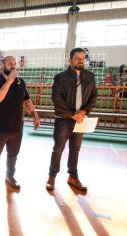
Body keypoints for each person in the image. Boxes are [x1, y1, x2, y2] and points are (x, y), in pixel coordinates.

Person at [46, 48, 98, 192]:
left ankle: (73, 177)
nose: (80, 61)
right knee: (58, 149)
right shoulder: (60, 77)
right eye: (77, 58)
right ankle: (51, 177)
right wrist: (72, 114)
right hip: (64, 119)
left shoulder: (90, 76)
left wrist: (83, 111)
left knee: (75, 149)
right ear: (70, 60)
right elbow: (57, 98)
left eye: (83, 58)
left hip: (81, 119)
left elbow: (94, 97)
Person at [0, 56, 40, 192]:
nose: (13, 65)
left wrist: (35, 114)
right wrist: (9, 82)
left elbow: (26, 100)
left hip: (16, 128)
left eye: (14, 63)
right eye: (9, 63)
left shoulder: (20, 82)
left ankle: (9, 177)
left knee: (13, 155)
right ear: (2, 66)